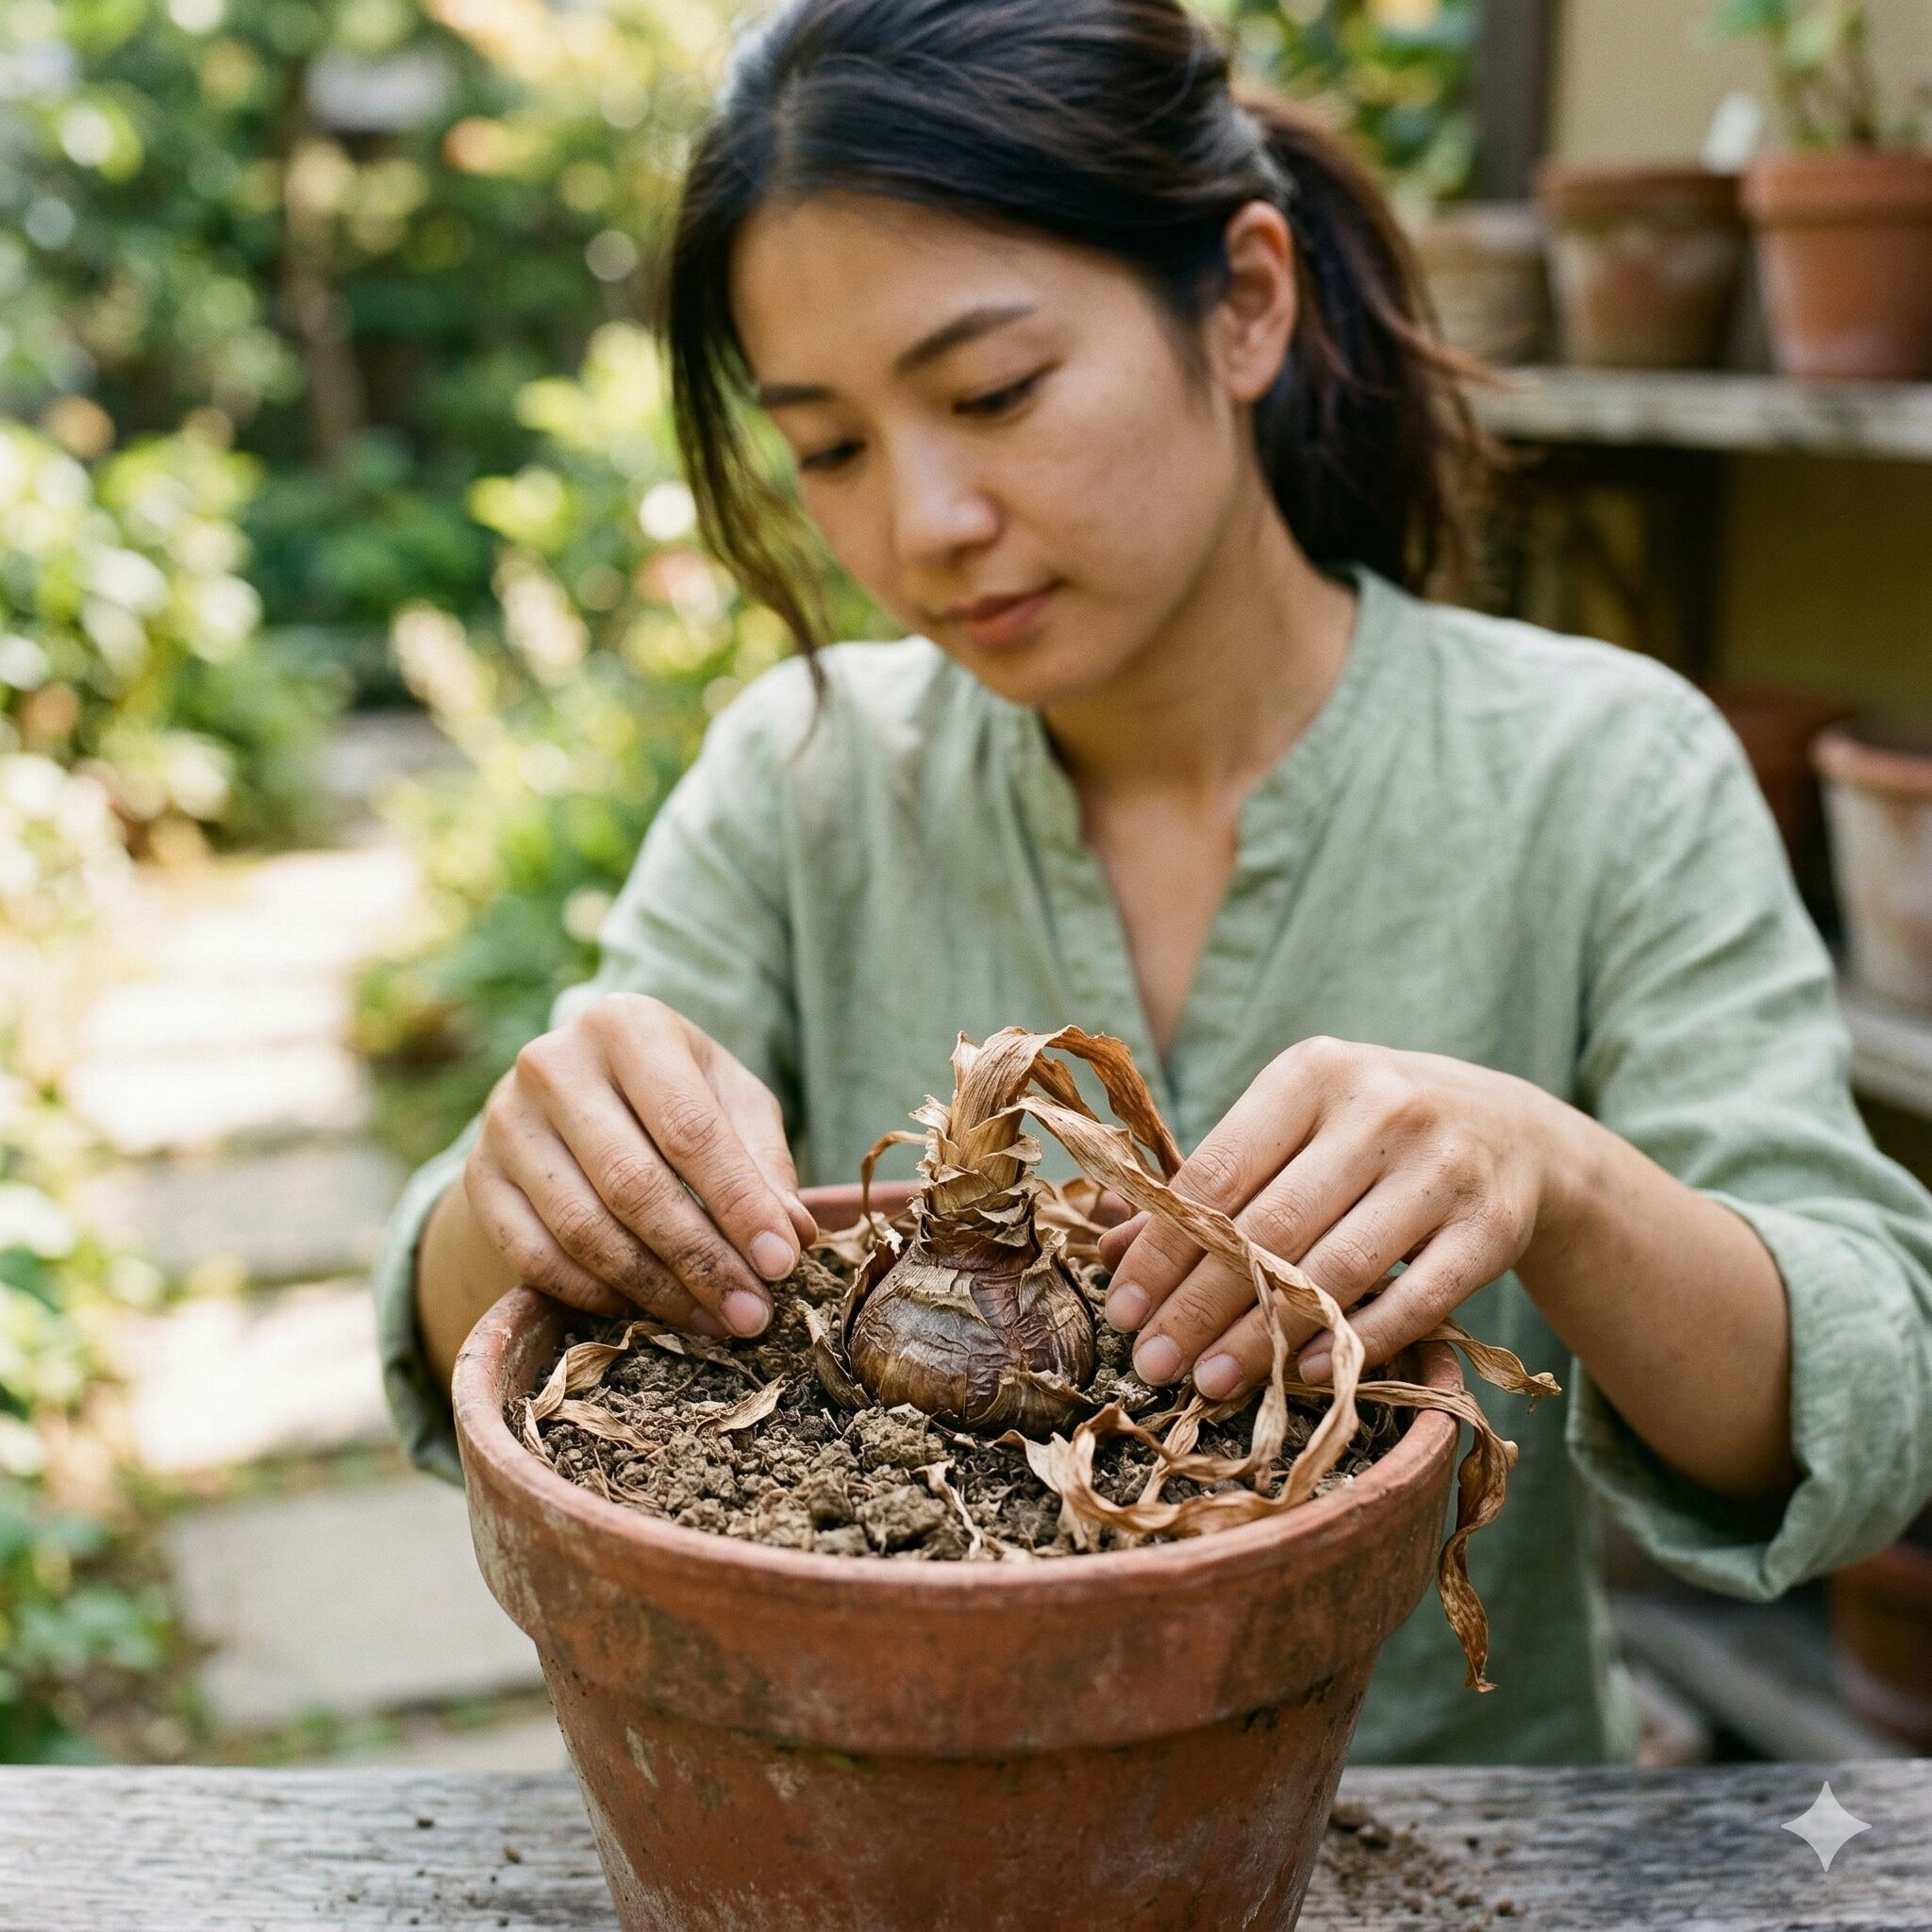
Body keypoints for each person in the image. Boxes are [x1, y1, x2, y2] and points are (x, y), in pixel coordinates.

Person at [374, 0, 1932, 1764]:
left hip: (1459, 1842)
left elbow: (1864, 1404)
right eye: (830, 448)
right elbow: (453, 1333)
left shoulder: (1603, 769)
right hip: (910, 1824)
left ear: (1247, 300)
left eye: (994, 392)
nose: (924, 520)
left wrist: (1556, 1178)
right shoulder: (804, 781)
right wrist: (533, 1178)